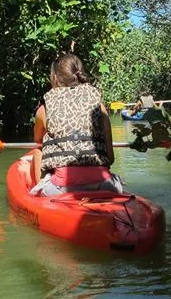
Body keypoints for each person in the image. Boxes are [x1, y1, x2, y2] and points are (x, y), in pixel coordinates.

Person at [29, 54, 125, 197]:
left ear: (55, 78)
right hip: (104, 185)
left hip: (61, 189)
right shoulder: (99, 106)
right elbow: (110, 158)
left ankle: (40, 194)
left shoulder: (44, 110)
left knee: (37, 148)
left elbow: (38, 140)